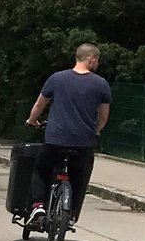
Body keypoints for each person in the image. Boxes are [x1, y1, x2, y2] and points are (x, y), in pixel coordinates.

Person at [24, 43, 111, 228]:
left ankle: (38, 206)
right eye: (98, 60)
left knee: (41, 169)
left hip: (55, 140)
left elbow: (40, 105)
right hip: (83, 144)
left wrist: (32, 121)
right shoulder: (101, 84)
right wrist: (95, 130)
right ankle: (71, 213)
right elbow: (103, 117)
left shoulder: (57, 78)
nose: (98, 64)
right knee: (80, 176)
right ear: (91, 58)